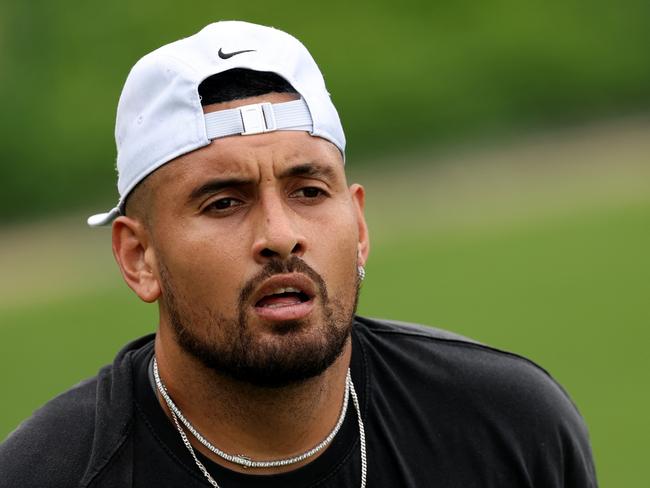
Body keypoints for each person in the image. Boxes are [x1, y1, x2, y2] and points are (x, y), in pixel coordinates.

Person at [0, 21, 597, 487]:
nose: (281, 235)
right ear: (139, 257)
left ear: (359, 224)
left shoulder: (507, 427)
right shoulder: (45, 475)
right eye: (223, 203)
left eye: (309, 191)